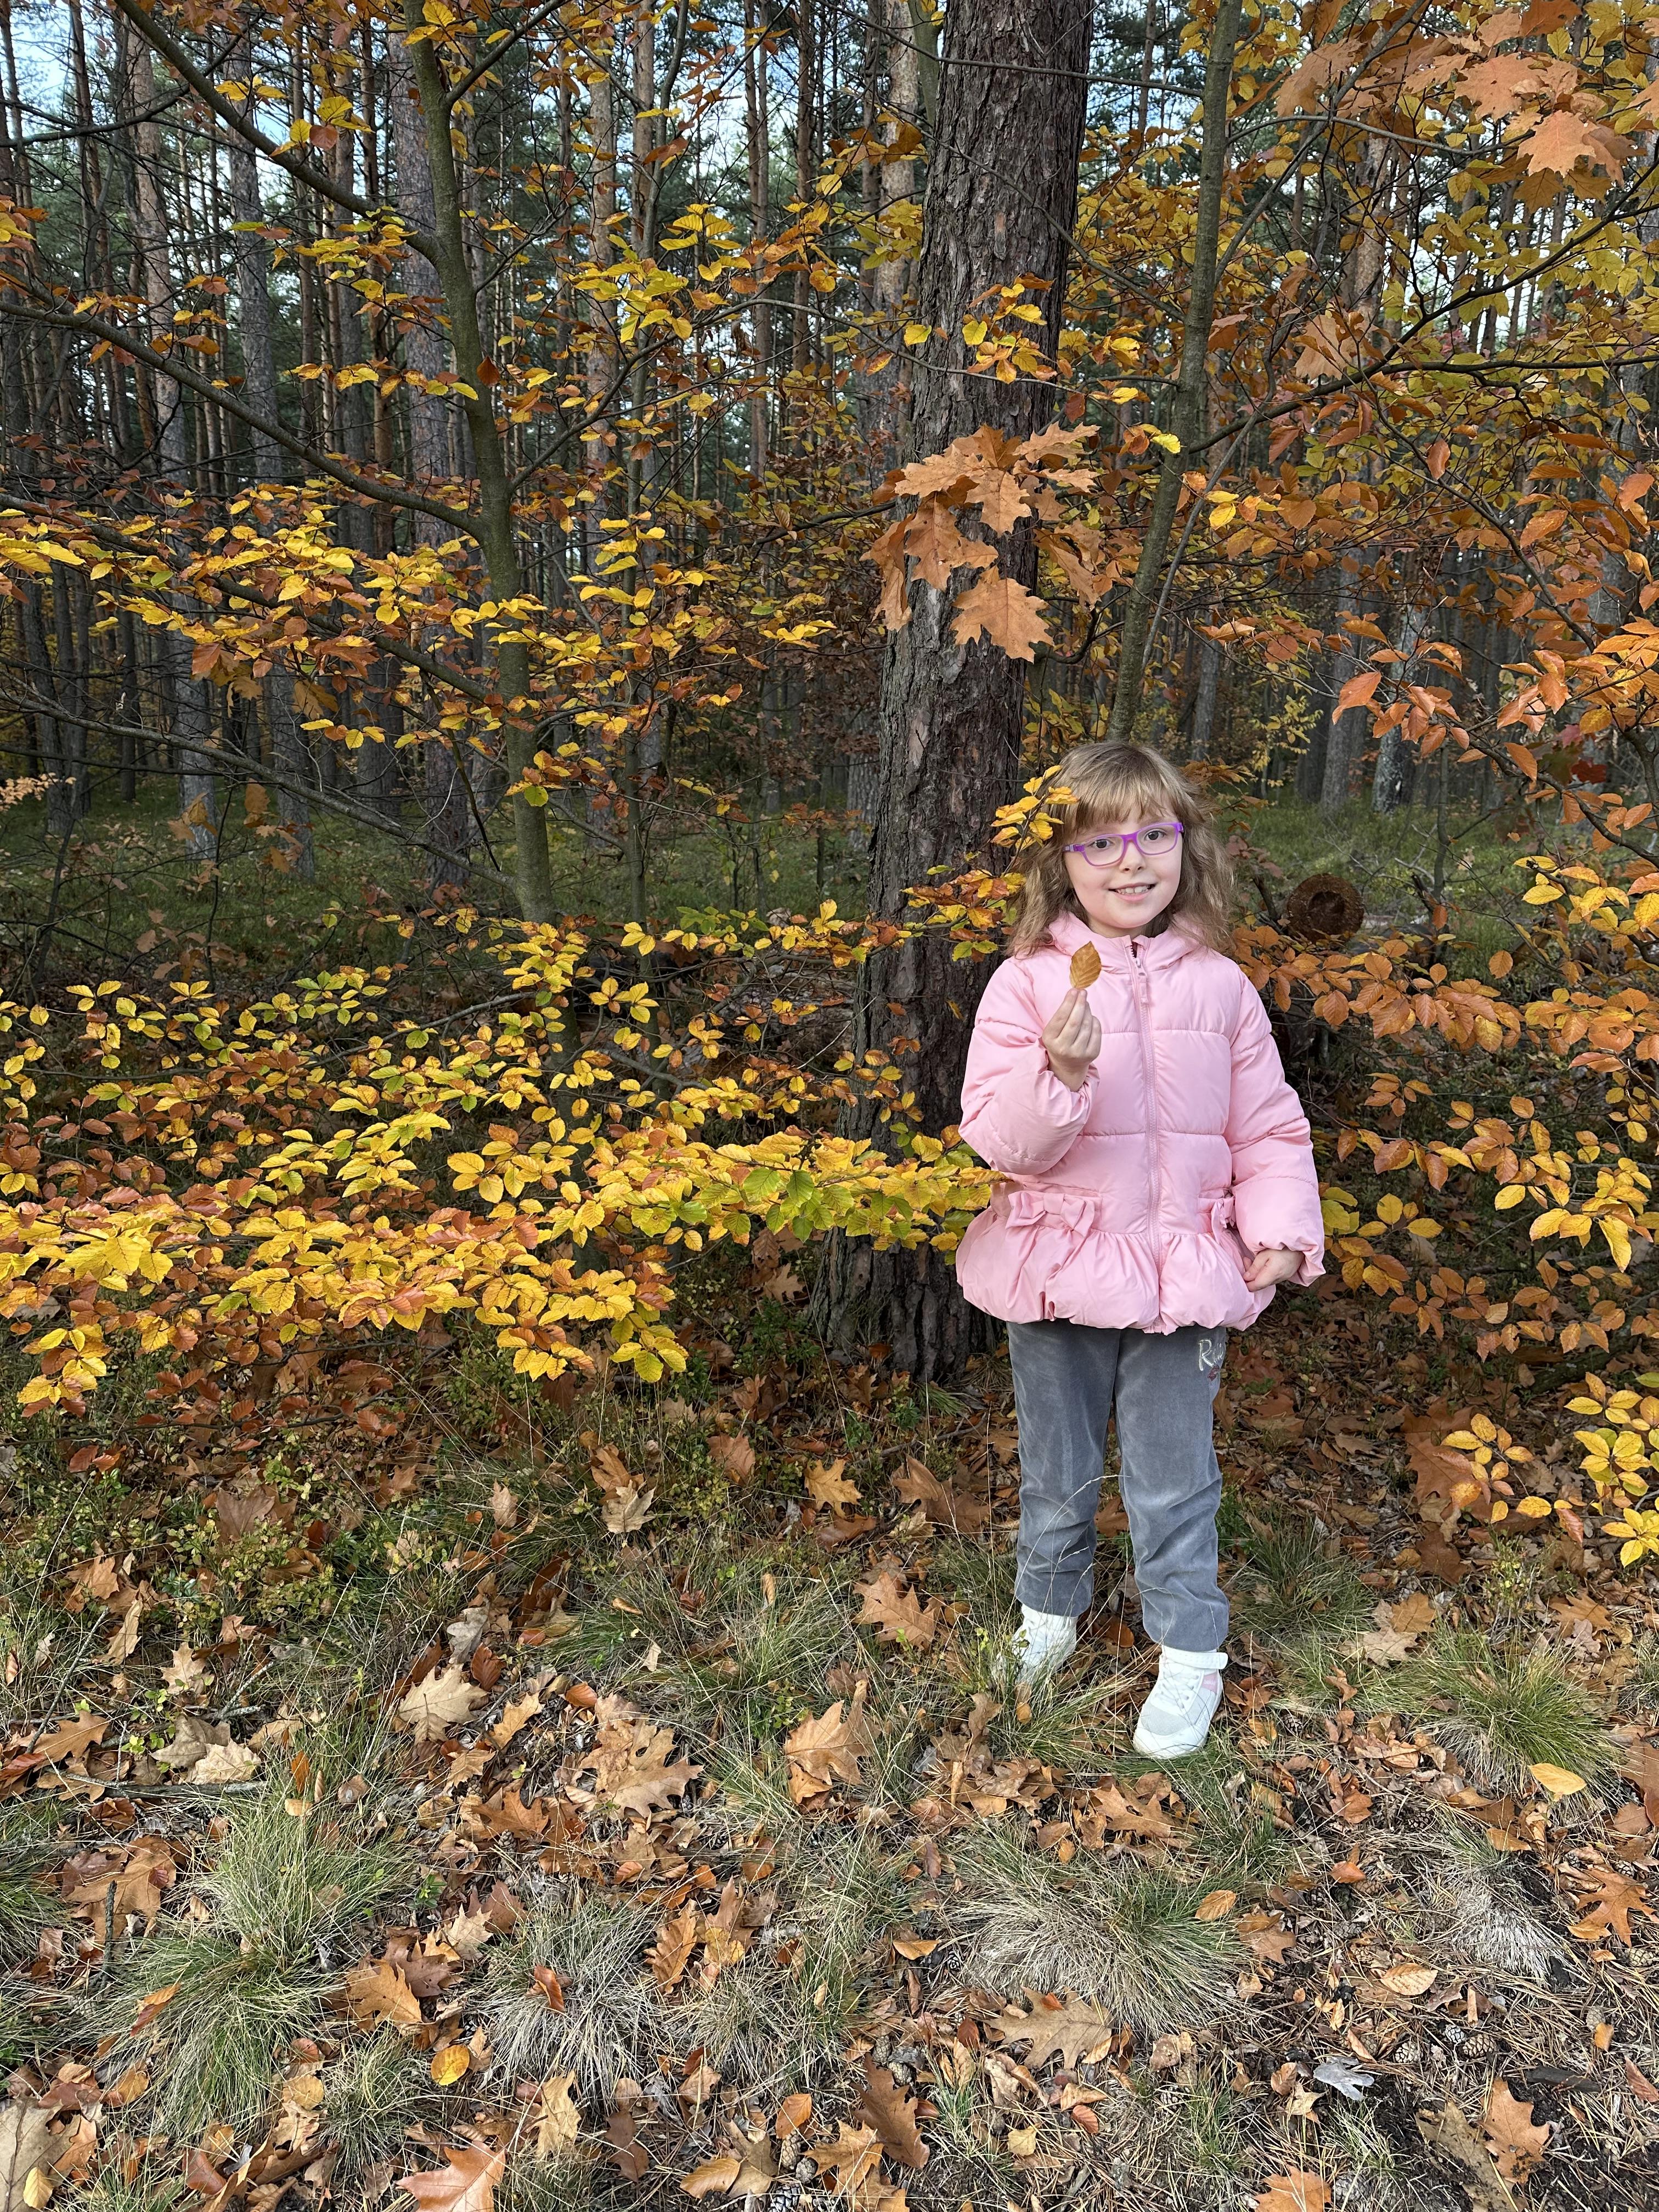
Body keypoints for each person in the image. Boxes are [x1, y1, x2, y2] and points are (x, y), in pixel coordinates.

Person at [956, 742, 1323, 1758]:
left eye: (1153, 836)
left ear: (1184, 849)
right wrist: (1061, 1075)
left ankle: (1191, 1647)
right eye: (1102, 843)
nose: (1131, 862)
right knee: (1058, 1465)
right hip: (1059, 1271)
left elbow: (1268, 1126)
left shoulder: (1222, 987)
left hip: (1186, 1276)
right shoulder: (1028, 985)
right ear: (1061, 864)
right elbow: (1001, 1142)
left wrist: (1281, 1231)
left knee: (1173, 1475)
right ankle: (1048, 1612)